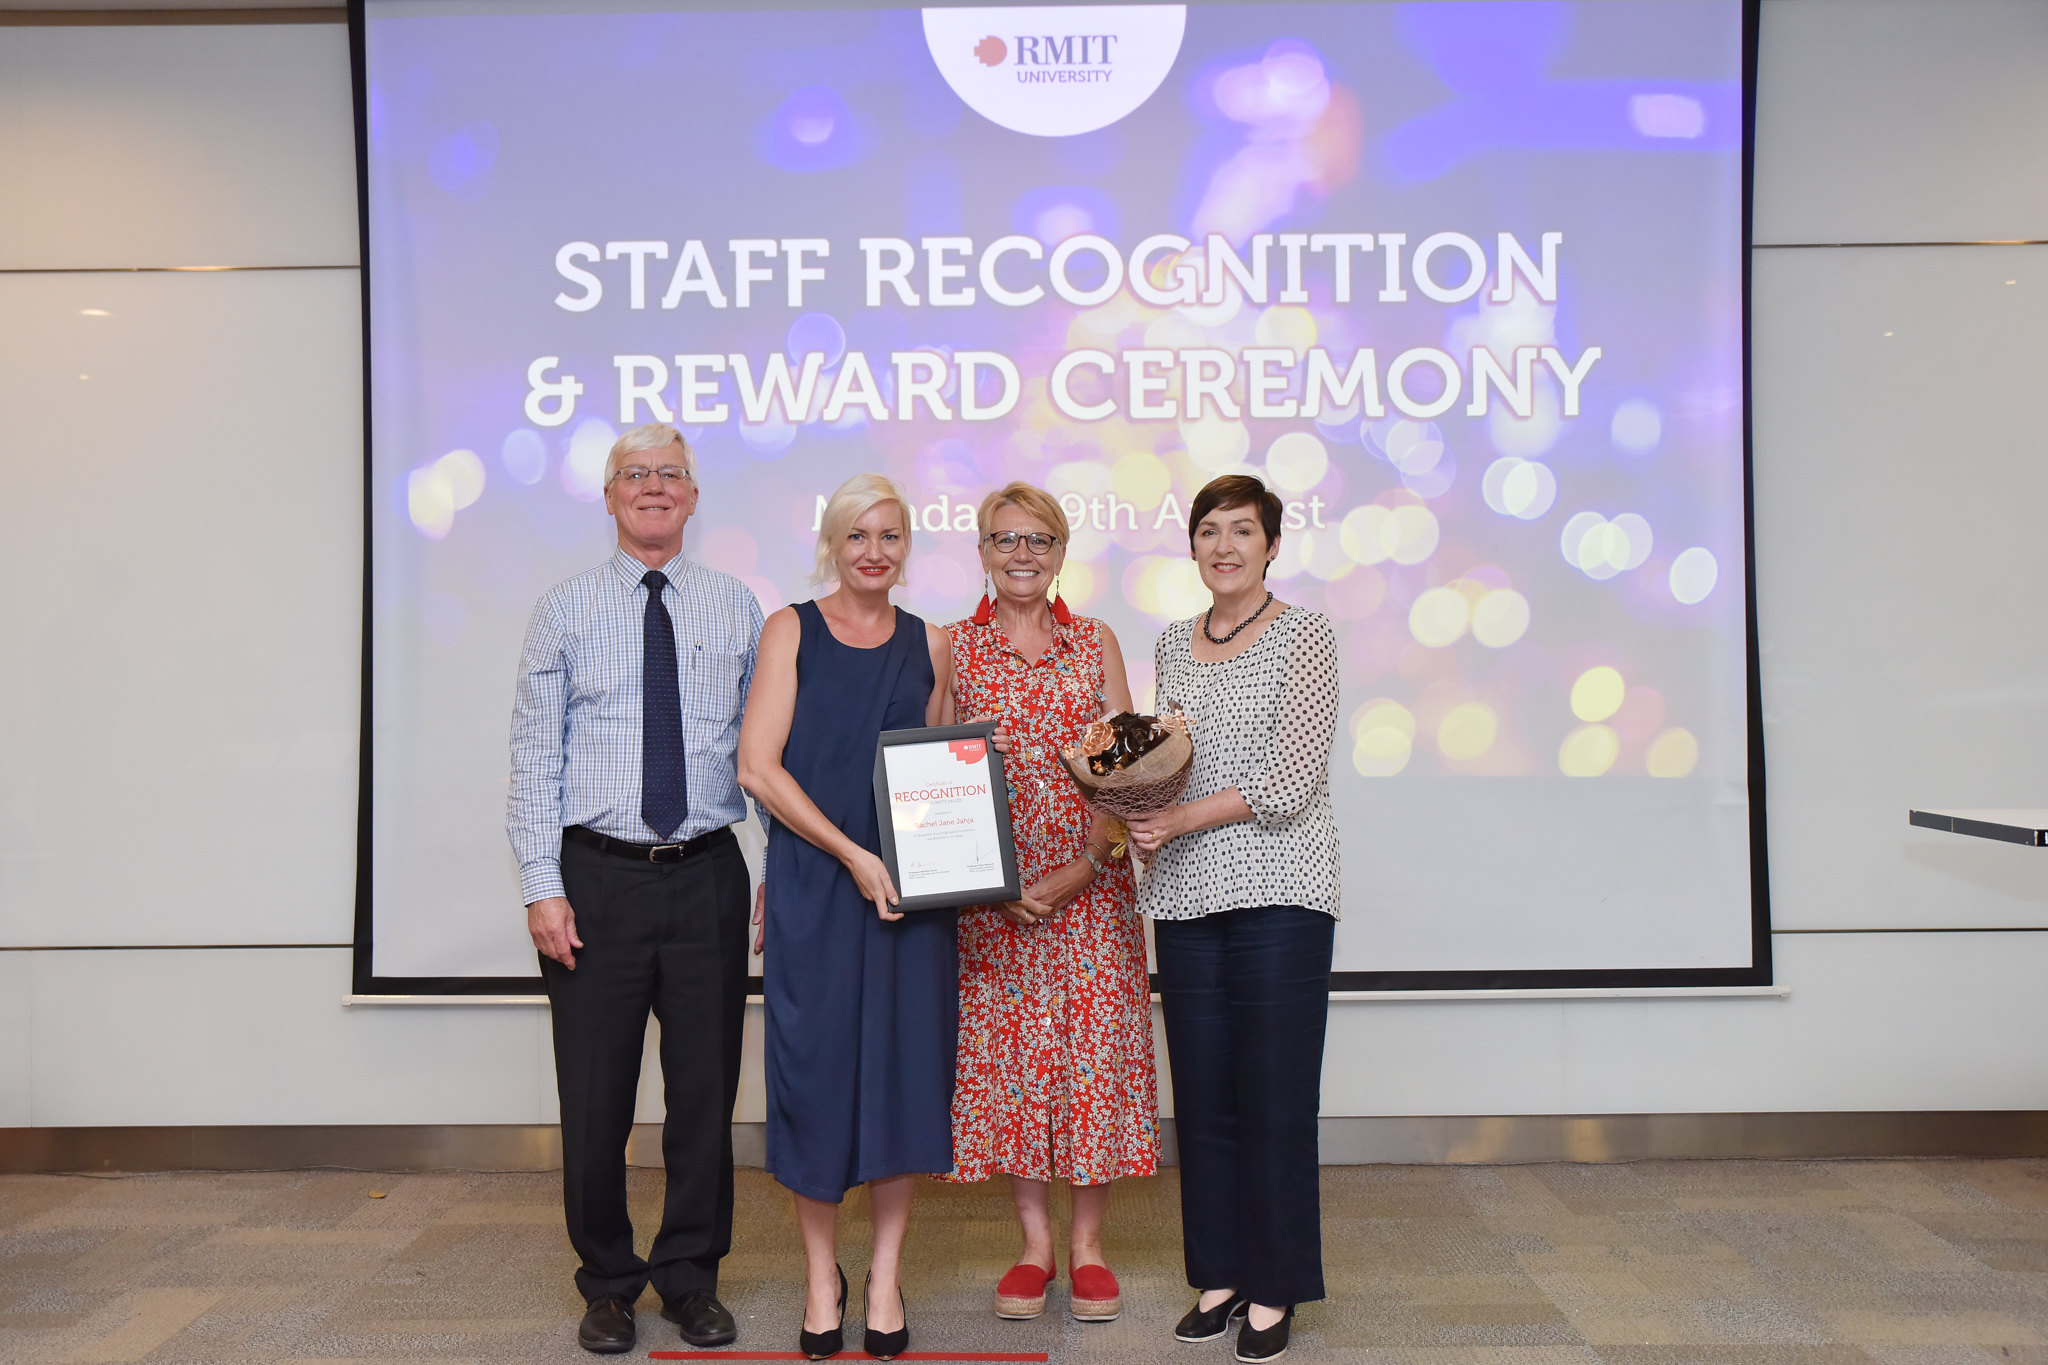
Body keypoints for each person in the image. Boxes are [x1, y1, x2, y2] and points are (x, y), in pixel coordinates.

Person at [507, 423, 763, 1355]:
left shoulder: (738, 606)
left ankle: (691, 1275)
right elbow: (534, 755)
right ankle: (609, 1281)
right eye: (634, 475)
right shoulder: (565, 608)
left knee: (705, 1093)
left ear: (693, 497)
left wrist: (775, 875)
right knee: (596, 1096)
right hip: (596, 878)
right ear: (609, 497)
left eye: (670, 474)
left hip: (707, 876)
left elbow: (761, 756)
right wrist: (542, 884)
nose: (653, 487)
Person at [737, 473, 958, 1363]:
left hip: (909, 900)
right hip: (821, 889)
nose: (875, 550)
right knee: (818, 1080)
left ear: (908, 548)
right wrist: (852, 855)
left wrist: (939, 861)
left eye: (892, 536)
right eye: (859, 534)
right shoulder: (788, 627)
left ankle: (884, 1277)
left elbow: (939, 776)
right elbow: (759, 768)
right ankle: (822, 1275)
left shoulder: (933, 643)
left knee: (904, 1084)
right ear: (833, 542)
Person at [1124, 474, 1341, 1365]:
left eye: (1241, 530)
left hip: (1280, 896)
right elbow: (1169, 763)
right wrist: (1134, 801)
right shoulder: (1173, 642)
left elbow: (1289, 784)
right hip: (1183, 896)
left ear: (1272, 543)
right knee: (1205, 1099)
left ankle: (1276, 1283)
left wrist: (1174, 818)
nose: (1224, 546)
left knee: (1275, 1101)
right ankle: (1218, 1273)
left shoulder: (1306, 634)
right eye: (1208, 530)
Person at [943, 482, 1158, 1324]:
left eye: (1038, 540)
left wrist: (1085, 862)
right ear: (984, 552)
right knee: (1015, 1068)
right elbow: (925, 774)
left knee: (1090, 1062)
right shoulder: (953, 648)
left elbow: (1129, 767)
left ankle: (1088, 1248)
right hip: (994, 900)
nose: (1022, 553)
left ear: (1062, 551)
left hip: (1091, 887)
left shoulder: (1093, 640)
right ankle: (1034, 1245)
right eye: (1005, 539)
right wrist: (991, 883)